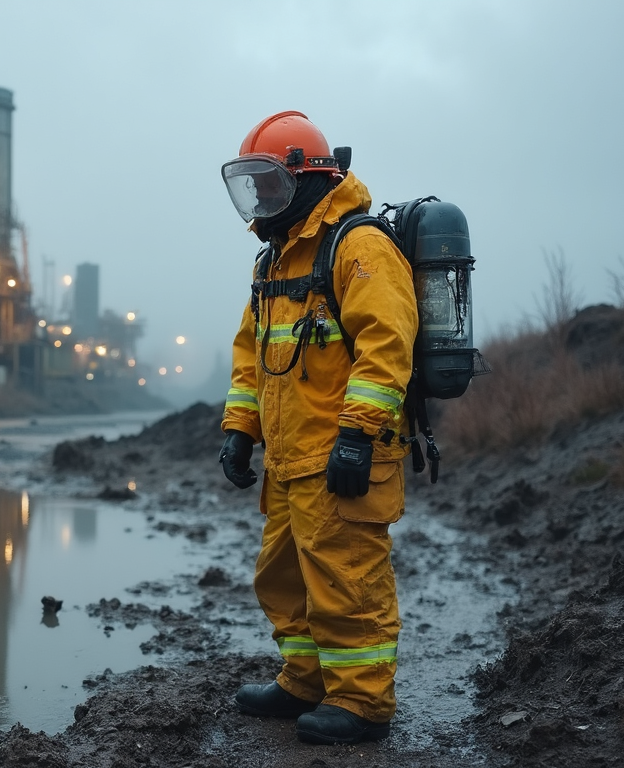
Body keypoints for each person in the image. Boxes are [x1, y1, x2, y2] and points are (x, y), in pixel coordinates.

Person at [217, 111, 418, 746]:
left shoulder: (357, 246)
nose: (262, 198)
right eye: (254, 185)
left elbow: (387, 346)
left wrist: (358, 434)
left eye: (271, 183)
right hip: (289, 461)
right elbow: (253, 353)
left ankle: (362, 702)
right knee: (282, 577)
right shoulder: (272, 260)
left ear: (309, 177)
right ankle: (304, 679)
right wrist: (240, 428)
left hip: (341, 454)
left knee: (347, 577)